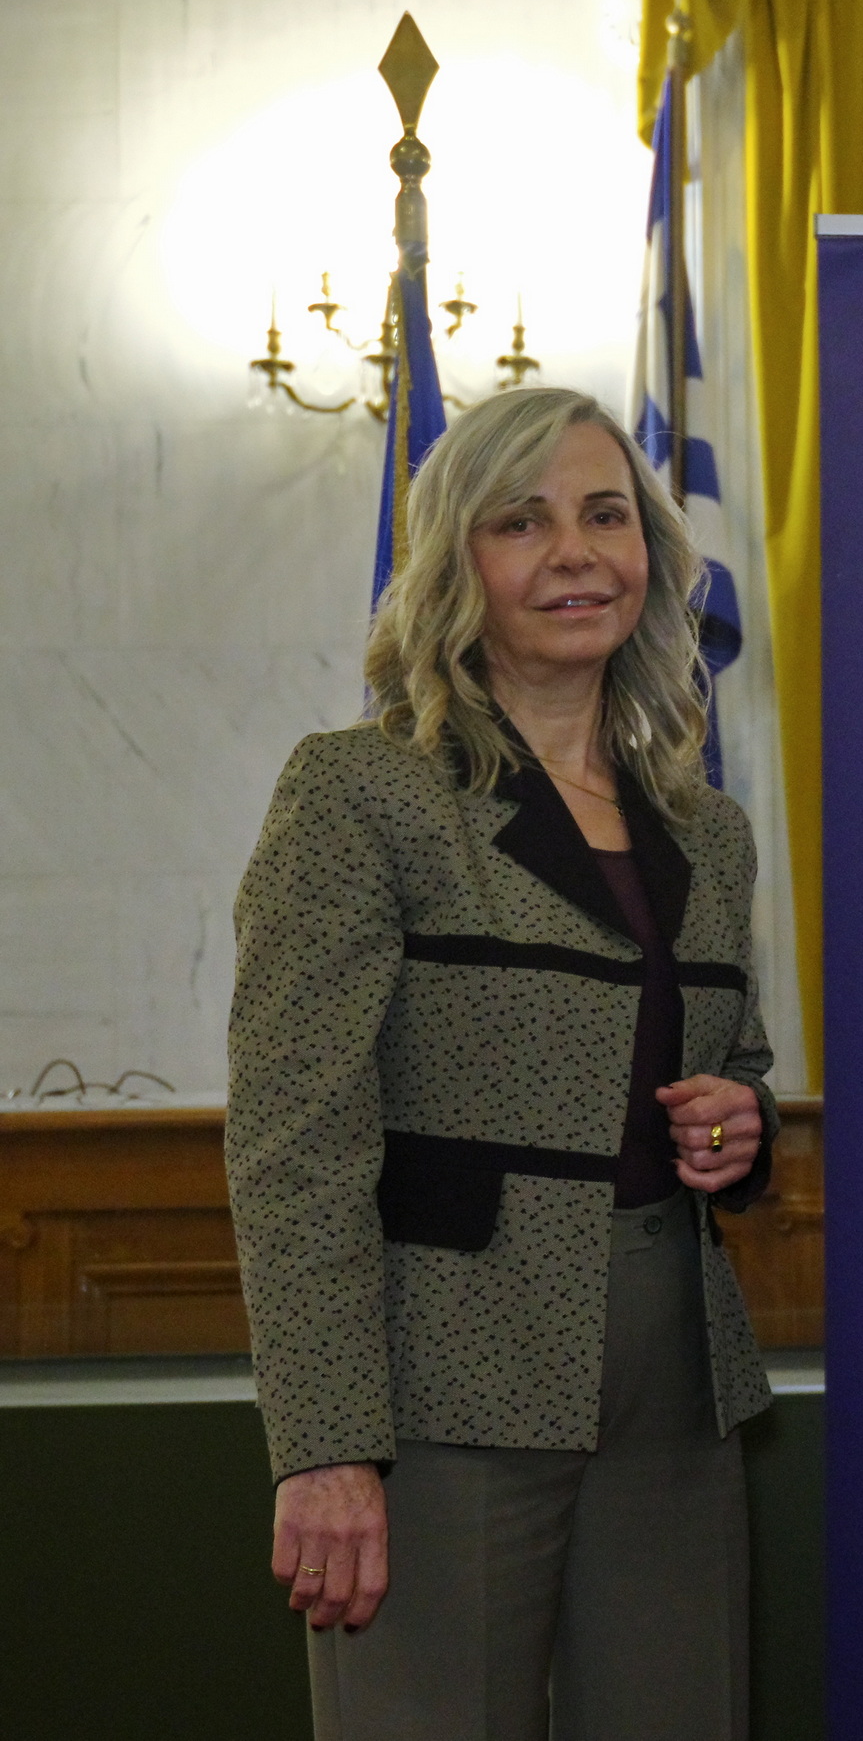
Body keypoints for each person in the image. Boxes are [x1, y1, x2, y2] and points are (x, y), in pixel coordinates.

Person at [224, 386, 780, 1740]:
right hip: (438, 1386)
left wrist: (740, 1119)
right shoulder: (360, 791)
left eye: (606, 515)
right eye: (521, 522)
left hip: (677, 1385)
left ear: (652, 552)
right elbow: (295, 1147)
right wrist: (326, 1445)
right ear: (454, 562)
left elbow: (736, 1062)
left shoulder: (707, 830)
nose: (574, 552)